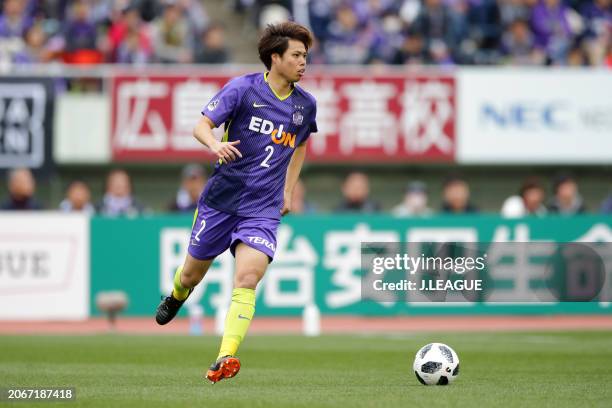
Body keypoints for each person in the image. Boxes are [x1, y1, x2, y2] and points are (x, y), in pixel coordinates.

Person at [155, 21, 317, 384]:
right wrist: (214, 145)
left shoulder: (305, 106)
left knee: (247, 277)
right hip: (220, 202)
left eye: (305, 56)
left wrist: (289, 190)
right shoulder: (243, 89)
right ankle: (178, 294)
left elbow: (302, 143)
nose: (303, 62)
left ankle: (224, 357)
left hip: (262, 209)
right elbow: (201, 125)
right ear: (275, 58)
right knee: (191, 274)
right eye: (296, 55)